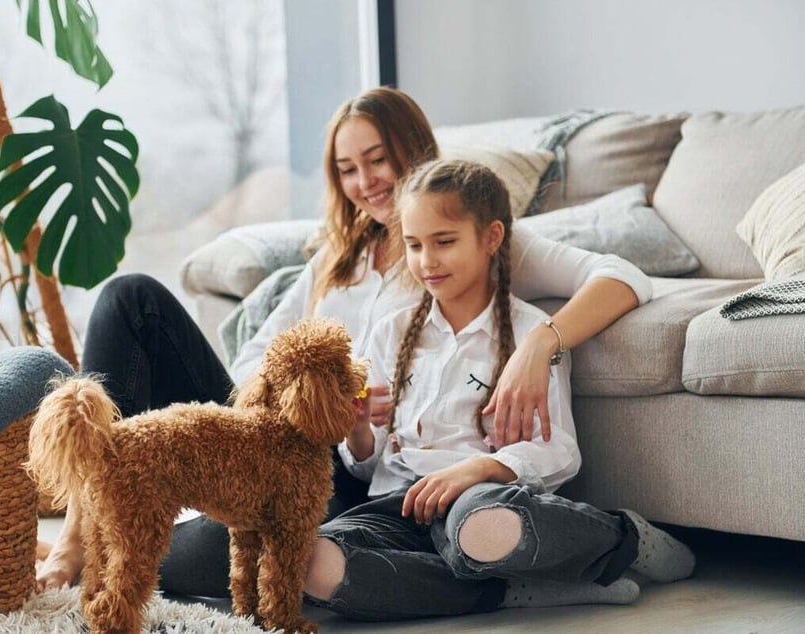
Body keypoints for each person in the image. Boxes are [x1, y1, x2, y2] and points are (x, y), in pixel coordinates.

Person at [36, 86, 653, 596]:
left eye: (377, 160)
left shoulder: (467, 243)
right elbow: (256, 355)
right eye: (346, 169)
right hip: (270, 423)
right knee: (130, 298)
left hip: (343, 461)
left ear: (413, 150)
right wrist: (252, 419)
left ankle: (493, 566)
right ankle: (75, 534)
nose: (365, 183)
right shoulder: (340, 255)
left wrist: (538, 344)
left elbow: (622, 276)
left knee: (172, 565)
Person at [301, 158, 694, 620]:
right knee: (313, 567)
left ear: (490, 238)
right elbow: (368, 466)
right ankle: (509, 591)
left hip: (478, 500)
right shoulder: (391, 332)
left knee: (486, 530)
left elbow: (560, 451)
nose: (427, 261)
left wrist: (477, 470)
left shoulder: (529, 330)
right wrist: (358, 432)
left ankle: (621, 535)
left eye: (444, 242)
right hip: (396, 503)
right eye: (414, 245)